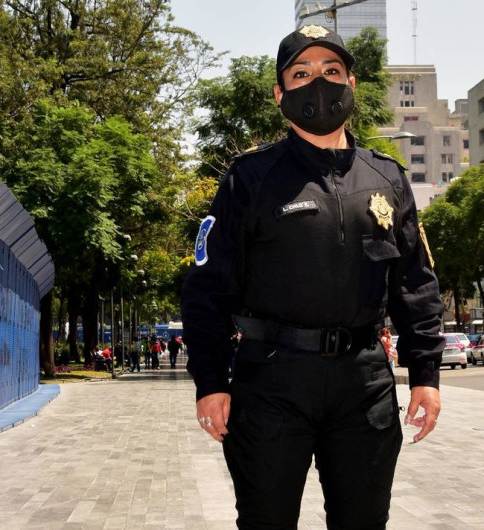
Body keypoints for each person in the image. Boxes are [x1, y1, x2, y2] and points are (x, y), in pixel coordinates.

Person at [181, 25, 444, 529]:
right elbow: (207, 290)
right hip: (271, 381)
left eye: (331, 71)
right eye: (301, 74)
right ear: (280, 94)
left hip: (364, 383)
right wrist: (210, 382)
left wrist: (426, 377)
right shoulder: (249, 178)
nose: (317, 83)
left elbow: (416, 284)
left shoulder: (387, 176)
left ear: (352, 84)